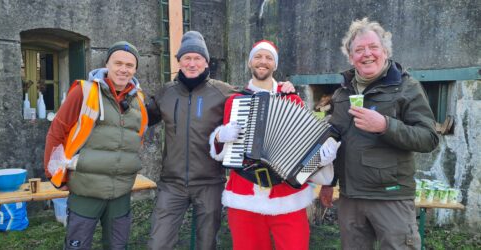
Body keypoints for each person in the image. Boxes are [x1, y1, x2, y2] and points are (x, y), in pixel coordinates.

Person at [147, 31, 295, 250]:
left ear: (206, 62)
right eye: (187, 58)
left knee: (207, 244)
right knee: (157, 243)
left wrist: (281, 88)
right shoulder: (165, 93)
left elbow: (258, 96)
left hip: (209, 183)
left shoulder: (223, 91)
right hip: (172, 184)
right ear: (179, 61)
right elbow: (139, 117)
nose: (192, 63)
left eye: (197, 58)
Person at [319, 18, 439, 249]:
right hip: (351, 197)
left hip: (390, 196)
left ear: (385, 51)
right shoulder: (342, 93)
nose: (367, 54)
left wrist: (386, 125)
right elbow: (335, 143)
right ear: (351, 57)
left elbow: (428, 138)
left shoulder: (407, 87)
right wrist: (328, 182)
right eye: (359, 50)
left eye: (373, 47)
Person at [209, 40, 340, 250]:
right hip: (245, 194)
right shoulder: (235, 102)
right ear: (250, 62)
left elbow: (305, 147)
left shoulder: (292, 99)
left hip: (287, 194)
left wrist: (321, 157)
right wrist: (219, 138)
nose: (263, 62)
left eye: (269, 58)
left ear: (275, 65)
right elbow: (223, 151)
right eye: (258, 57)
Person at [44, 41, 148, 249]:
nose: (123, 69)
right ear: (107, 64)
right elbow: (57, 132)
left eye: (129, 65)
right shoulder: (84, 91)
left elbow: (138, 139)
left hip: (120, 193)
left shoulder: (139, 100)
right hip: (86, 190)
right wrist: (55, 175)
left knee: (118, 246)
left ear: (135, 69)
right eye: (118, 63)